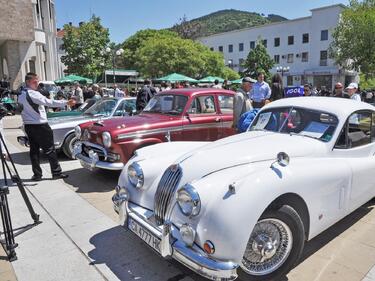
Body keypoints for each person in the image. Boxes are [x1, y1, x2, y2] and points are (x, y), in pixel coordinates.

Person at [18, 72, 73, 181]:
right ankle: (56, 172)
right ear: (28, 82)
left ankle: (37, 175)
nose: (37, 83)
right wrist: (66, 102)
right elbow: (49, 102)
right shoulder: (33, 93)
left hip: (29, 125)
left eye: (37, 81)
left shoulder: (20, 94)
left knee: (34, 151)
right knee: (50, 150)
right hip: (40, 125)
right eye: (35, 81)